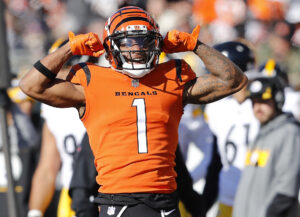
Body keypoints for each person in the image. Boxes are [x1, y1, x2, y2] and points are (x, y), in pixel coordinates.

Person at [19, 6, 247, 217]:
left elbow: (234, 81)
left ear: (156, 44)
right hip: (118, 202)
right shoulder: (92, 82)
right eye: (128, 41)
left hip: (166, 202)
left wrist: (195, 45)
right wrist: (69, 48)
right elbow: (29, 86)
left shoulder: (171, 78)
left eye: (144, 41)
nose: (137, 48)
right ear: (112, 45)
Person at [27, 38, 88, 217]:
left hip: (113, 194)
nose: (52, 77)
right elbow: (47, 168)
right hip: (73, 196)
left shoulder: (113, 97)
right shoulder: (53, 109)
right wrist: (35, 213)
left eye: (59, 67)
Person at [204, 40, 260, 217]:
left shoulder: (264, 106)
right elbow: (214, 160)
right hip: (229, 194)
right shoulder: (218, 108)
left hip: (259, 194)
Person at [233, 76, 300, 217]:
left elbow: (286, 191)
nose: (258, 107)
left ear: (278, 100)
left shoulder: (289, 132)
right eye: (254, 102)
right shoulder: (261, 134)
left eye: (264, 101)